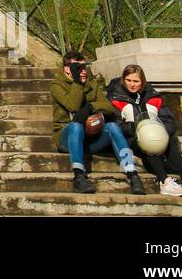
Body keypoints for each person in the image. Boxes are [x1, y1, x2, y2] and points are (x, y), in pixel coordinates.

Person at [52, 49, 145, 195]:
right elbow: (73, 105)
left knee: (113, 127)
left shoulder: (91, 84)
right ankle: (79, 176)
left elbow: (109, 107)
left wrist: (91, 107)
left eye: (84, 67)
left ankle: (132, 173)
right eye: (78, 68)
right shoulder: (57, 85)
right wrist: (77, 83)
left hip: (89, 138)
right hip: (67, 137)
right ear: (67, 69)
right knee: (76, 126)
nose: (83, 71)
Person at [108, 64, 182, 196]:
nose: (132, 84)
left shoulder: (152, 96)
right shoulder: (116, 97)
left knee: (164, 141)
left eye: (136, 81)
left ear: (142, 82)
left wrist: (161, 131)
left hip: (154, 133)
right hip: (130, 137)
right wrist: (134, 128)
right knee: (148, 141)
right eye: (128, 80)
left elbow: (168, 119)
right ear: (123, 79)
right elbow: (115, 125)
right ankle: (164, 181)